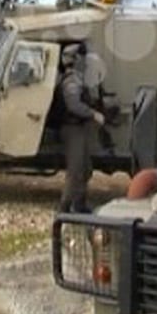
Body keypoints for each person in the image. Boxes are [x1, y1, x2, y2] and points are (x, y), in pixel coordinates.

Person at [57, 42, 104, 213]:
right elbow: (74, 105)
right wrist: (93, 114)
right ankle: (65, 207)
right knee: (76, 170)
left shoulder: (75, 78)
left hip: (78, 128)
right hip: (73, 129)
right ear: (75, 59)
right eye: (81, 57)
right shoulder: (72, 80)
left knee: (85, 169)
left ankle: (79, 203)